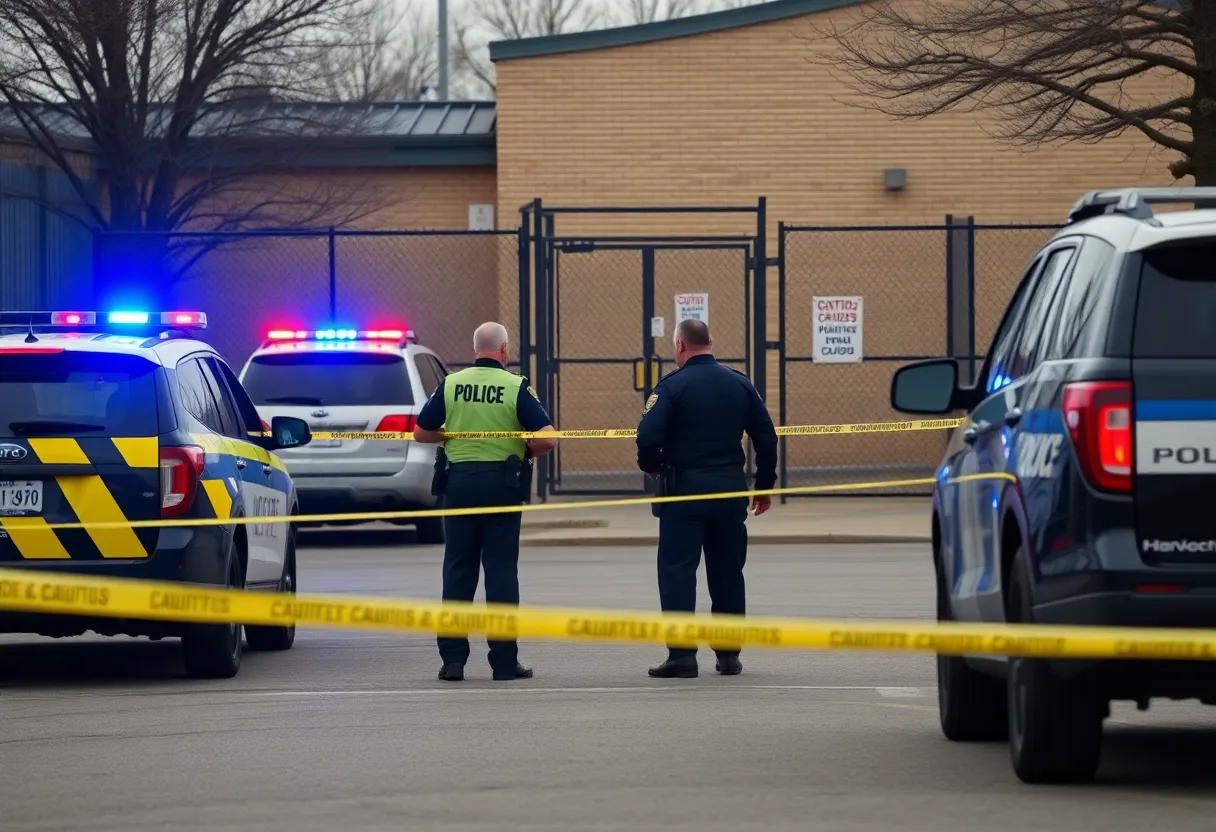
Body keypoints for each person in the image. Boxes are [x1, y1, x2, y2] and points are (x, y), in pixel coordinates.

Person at [413, 322, 557, 682]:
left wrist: (449, 436)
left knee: (458, 570)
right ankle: (504, 662)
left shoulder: (451, 384)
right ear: (505, 350)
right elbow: (548, 439)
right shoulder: (516, 385)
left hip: (459, 485)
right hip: (503, 487)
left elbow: (421, 431)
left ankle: (453, 661)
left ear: (475, 348)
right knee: (501, 572)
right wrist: (526, 448)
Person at [636, 318, 778, 679]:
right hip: (730, 491)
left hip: (684, 494)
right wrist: (763, 486)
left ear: (680, 345)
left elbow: (648, 436)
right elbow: (767, 437)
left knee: (678, 572)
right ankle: (729, 655)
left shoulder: (671, 386)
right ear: (709, 342)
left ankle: (682, 656)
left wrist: (652, 466)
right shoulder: (740, 384)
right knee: (728, 572)